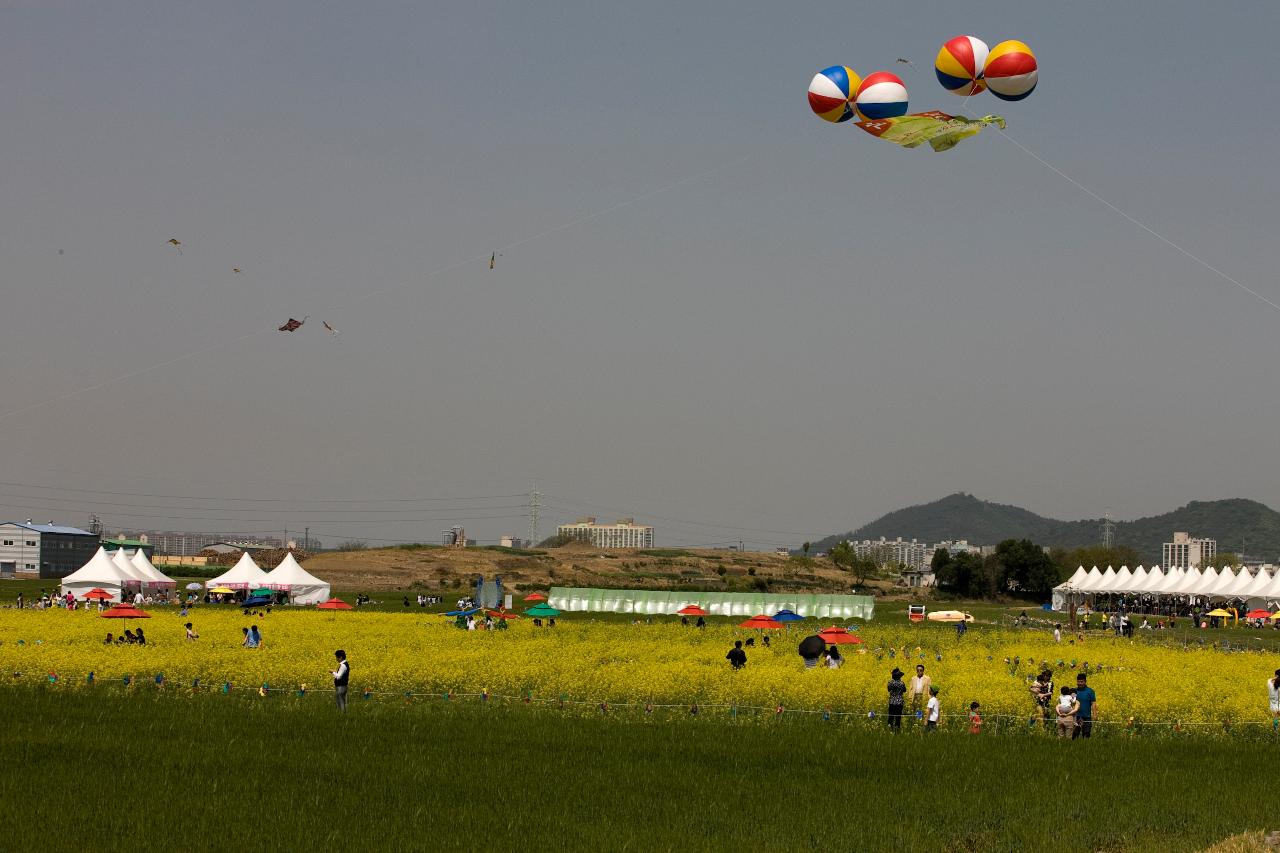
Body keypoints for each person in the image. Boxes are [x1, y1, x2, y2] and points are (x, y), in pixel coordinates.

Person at [1073, 673, 1098, 738]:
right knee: (1075, 734)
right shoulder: (1074, 691)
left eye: (1081, 682)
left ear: (1085, 681)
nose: (1080, 683)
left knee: (1086, 734)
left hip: (1087, 716)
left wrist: (1095, 714)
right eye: (1078, 682)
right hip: (1076, 717)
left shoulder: (1090, 691)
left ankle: (1086, 747)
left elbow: (1093, 703)